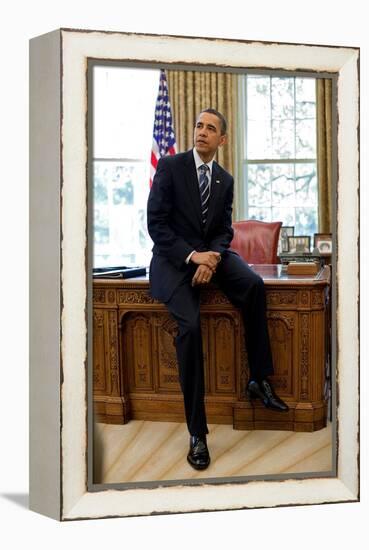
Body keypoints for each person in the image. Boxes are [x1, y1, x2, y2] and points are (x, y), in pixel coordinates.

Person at [147, 108, 288, 471]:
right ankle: (198, 433)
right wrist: (195, 257)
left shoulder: (224, 179)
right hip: (172, 259)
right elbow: (156, 226)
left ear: (222, 139)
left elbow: (225, 230)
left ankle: (258, 378)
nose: (202, 132)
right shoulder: (170, 167)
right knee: (191, 327)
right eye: (198, 125)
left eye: (210, 128)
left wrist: (212, 258)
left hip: (212, 252)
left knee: (254, 285)